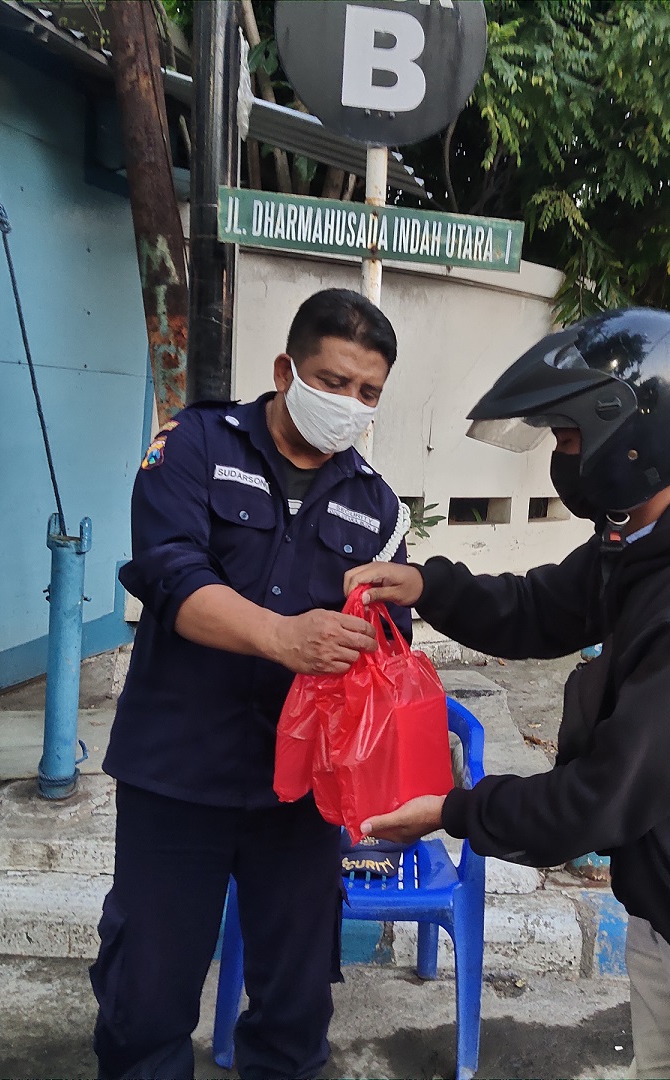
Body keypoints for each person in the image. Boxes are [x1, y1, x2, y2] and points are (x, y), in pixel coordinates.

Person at [347, 308, 670, 1080]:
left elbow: (598, 800)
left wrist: (454, 811)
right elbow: (541, 607)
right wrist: (428, 585)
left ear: (636, 438)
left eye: (567, 437)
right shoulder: (644, 542)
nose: (559, 457)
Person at [91, 288, 412, 1080]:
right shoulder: (195, 445)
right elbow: (168, 575)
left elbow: (385, 652)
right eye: (333, 382)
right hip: (178, 772)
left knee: (297, 1007)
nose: (349, 405)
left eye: (367, 393)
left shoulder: (377, 507)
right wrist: (283, 638)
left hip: (298, 795)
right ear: (285, 370)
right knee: (148, 995)